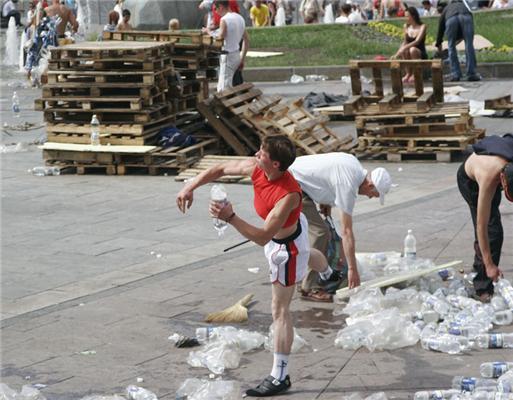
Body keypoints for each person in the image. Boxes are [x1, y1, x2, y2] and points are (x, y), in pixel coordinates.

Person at [176, 135, 334, 397]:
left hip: (285, 249)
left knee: (280, 309)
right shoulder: (256, 167)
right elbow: (218, 169)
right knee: (309, 254)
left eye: (261, 152)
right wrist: (190, 187)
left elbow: (263, 237)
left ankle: (280, 376)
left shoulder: (288, 196)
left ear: (275, 164)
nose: (256, 154)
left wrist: (230, 217)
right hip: (295, 234)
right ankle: (329, 272)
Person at [288, 153, 392, 301]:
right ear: (370, 185)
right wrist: (352, 270)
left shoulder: (354, 166)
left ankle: (307, 274)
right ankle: (309, 287)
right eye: (373, 194)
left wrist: (326, 202)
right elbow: (346, 231)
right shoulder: (348, 185)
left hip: (298, 179)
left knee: (320, 231)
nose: (370, 197)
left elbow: (327, 177)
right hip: (291, 183)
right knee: (320, 233)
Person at [457, 134, 513, 302]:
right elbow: (481, 226)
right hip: (470, 181)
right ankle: (482, 285)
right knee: (492, 231)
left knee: (492, 228)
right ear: (502, 180)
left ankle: (482, 265)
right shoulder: (488, 179)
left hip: (495, 168)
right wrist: (489, 264)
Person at [203, 0, 249, 93]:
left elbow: (219, 39)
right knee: (232, 85)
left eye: (215, 9)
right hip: (236, 54)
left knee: (223, 88)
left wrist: (208, 32)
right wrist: (242, 58)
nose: (215, 11)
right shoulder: (240, 18)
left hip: (227, 55)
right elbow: (247, 40)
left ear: (220, 7)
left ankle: (225, 106)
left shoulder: (224, 20)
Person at [435, 0, 480, 82]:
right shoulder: (464, 6)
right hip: (467, 17)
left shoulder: (446, 9)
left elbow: (440, 28)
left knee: (451, 46)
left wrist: (438, 43)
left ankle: (455, 74)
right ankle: (471, 73)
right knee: (469, 45)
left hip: (451, 19)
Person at [392, 6, 427, 84]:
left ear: (413, 16)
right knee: (405, 50)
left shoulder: (422, 26)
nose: (405, 18)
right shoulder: (406, 26)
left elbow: (417, 41)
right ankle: (408, 73)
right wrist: (397, 54)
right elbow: (405, 42)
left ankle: (415, 73)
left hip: (420, 53)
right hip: (408, 51)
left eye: (407, 16)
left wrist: (405, 47)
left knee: (412, 49)